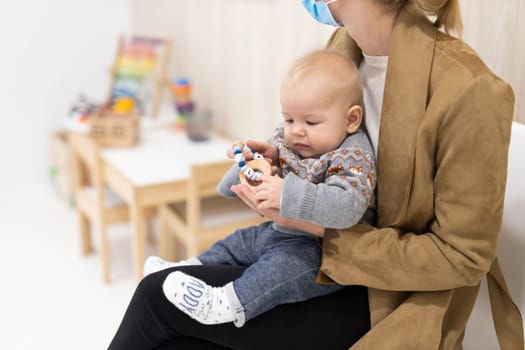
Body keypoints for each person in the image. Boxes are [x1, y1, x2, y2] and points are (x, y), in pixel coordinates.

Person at [109, 0, 523, 349]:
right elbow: (322, 153)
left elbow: (463, 258)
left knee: (156, 297)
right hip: (307, 253)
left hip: (385, 293)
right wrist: (282, 160)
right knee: (175, 326)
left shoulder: (470, 91)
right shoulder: (344, 50)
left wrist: (316, 222)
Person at [143, 49, 376, 329]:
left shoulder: (352, 155)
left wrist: (285, 193)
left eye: (311, 122)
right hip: (276, 231)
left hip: (318, 249)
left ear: (350, 120)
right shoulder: (289, 140)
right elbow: (234, 186)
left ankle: (225, 303)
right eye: (289, 119)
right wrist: (248, 164)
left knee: (279, 271)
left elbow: (346, 206)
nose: (296, 131)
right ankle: (187, 267)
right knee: (235, 243)